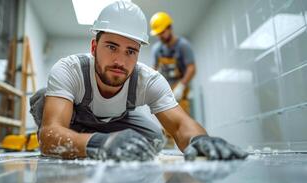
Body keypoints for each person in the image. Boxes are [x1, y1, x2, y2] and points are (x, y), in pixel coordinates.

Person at [29, 1, 247, 162]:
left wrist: (199, 140)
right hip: (74, 117)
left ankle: (87, 138)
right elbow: (49, 135)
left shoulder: (148, 80)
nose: (120, 61)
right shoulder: (70, 69)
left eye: (130, 51)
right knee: (43, 99)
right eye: (112, 47)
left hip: (113, 121)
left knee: (153, 139)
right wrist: (100, 143)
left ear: (138, 53)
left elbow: (180, 125)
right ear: (94, 47)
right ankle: (87, 137)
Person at [150, 12, 196, 114]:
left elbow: (191, 68)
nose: (160, 36)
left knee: (184, 122)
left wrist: (181, 86)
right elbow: (154, 69)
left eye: (162, 32)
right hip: (165, 93)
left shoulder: (183, 45)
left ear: (170, 28)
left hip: (181, 93)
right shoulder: (157, 49)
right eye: (158, 34)